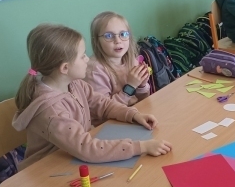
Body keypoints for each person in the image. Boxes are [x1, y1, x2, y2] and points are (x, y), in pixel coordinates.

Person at [13, 24, 172, 171]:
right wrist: (141, 147)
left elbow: (103, 104)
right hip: (46, 171)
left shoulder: (74, 84)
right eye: (82, 56)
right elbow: (87, 148)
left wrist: (133, 115)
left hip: (72, 157)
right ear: (65, 68)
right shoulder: (51, 111)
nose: (87, 59)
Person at [85, 11, 150, 126]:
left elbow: (144, 100)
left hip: (133, 115)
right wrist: (130, 87)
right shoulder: (95, 70)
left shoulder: (130, 60)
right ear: (96, 41)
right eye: (109, 36)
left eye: (123, 34)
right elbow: (105, 111)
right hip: (109, 124)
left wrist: (142, 85)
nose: (118, 41)